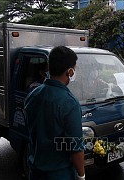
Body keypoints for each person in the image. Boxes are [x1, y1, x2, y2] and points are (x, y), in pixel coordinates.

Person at [24, 46, 85, 180]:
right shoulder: (69, 103)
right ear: (69, 72)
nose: (74, 72)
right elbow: (75, 148)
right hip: (59, 174)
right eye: (74, 69)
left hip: (35, 170)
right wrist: (81, 175)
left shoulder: (32, 95)